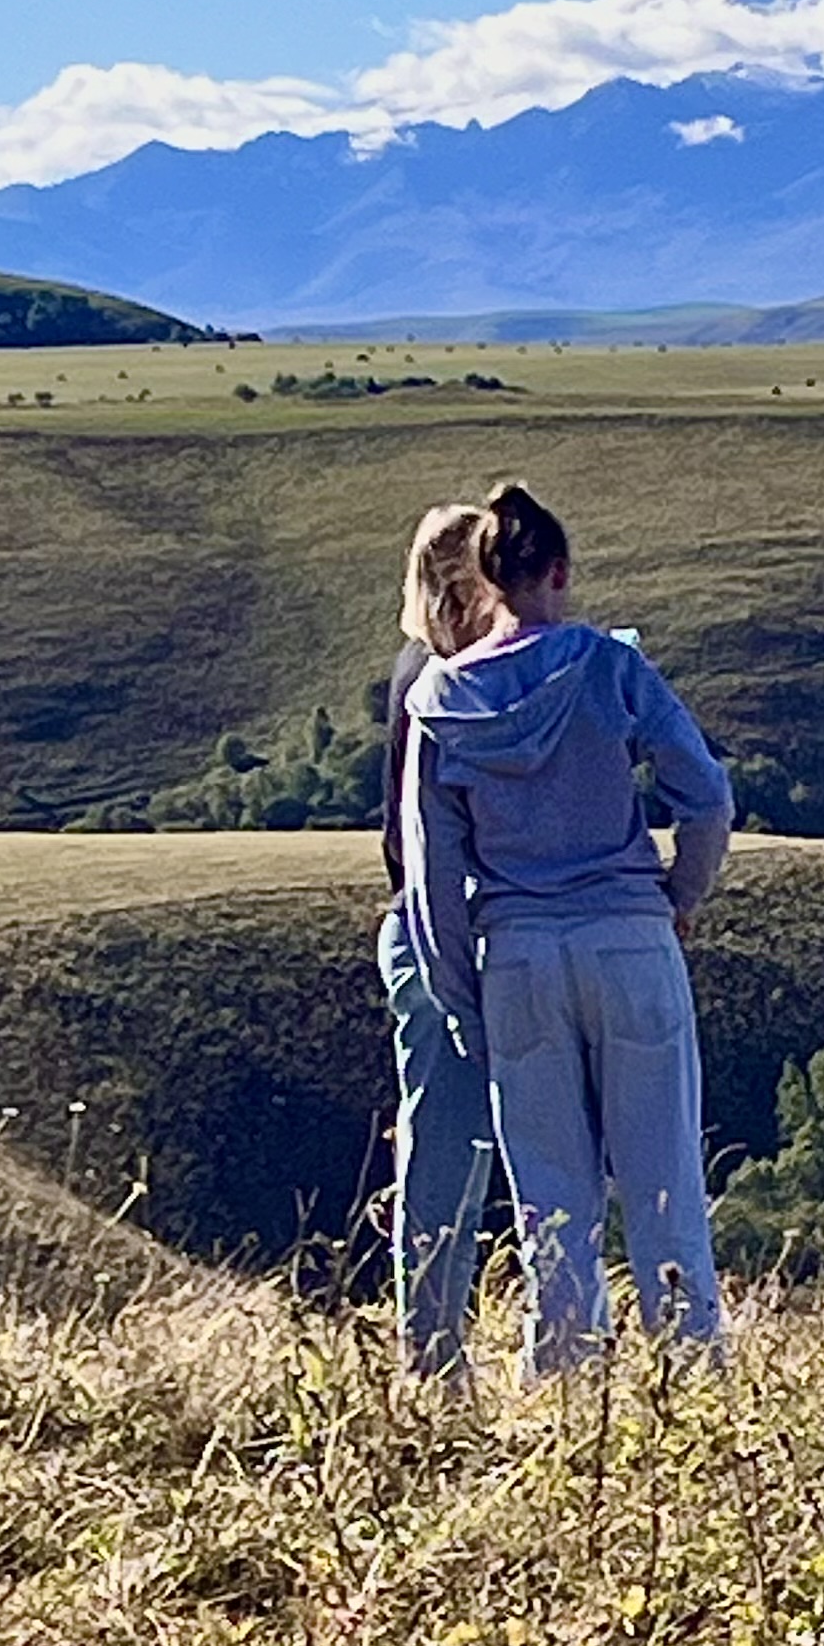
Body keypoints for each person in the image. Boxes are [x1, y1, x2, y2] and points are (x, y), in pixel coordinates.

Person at [397, 481, 733, 1374]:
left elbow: (431, 872)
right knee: (664, 1179)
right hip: (628, 934)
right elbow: (705, 793)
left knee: (551, 1198)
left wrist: (462, 996)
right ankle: (692, 1376)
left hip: (518, 954)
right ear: (558, 571)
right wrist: (679, 893)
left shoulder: (438, 701)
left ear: (486, 579)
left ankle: (569, 1384)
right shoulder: (610, 666)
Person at [378, 572, 499, 1374]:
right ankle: (430, 1357)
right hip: (440, 934)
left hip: (421, 927)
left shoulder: (414, 667)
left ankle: (438, 1352)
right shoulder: (442, 685)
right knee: (452, 1152)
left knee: (455, 1148)